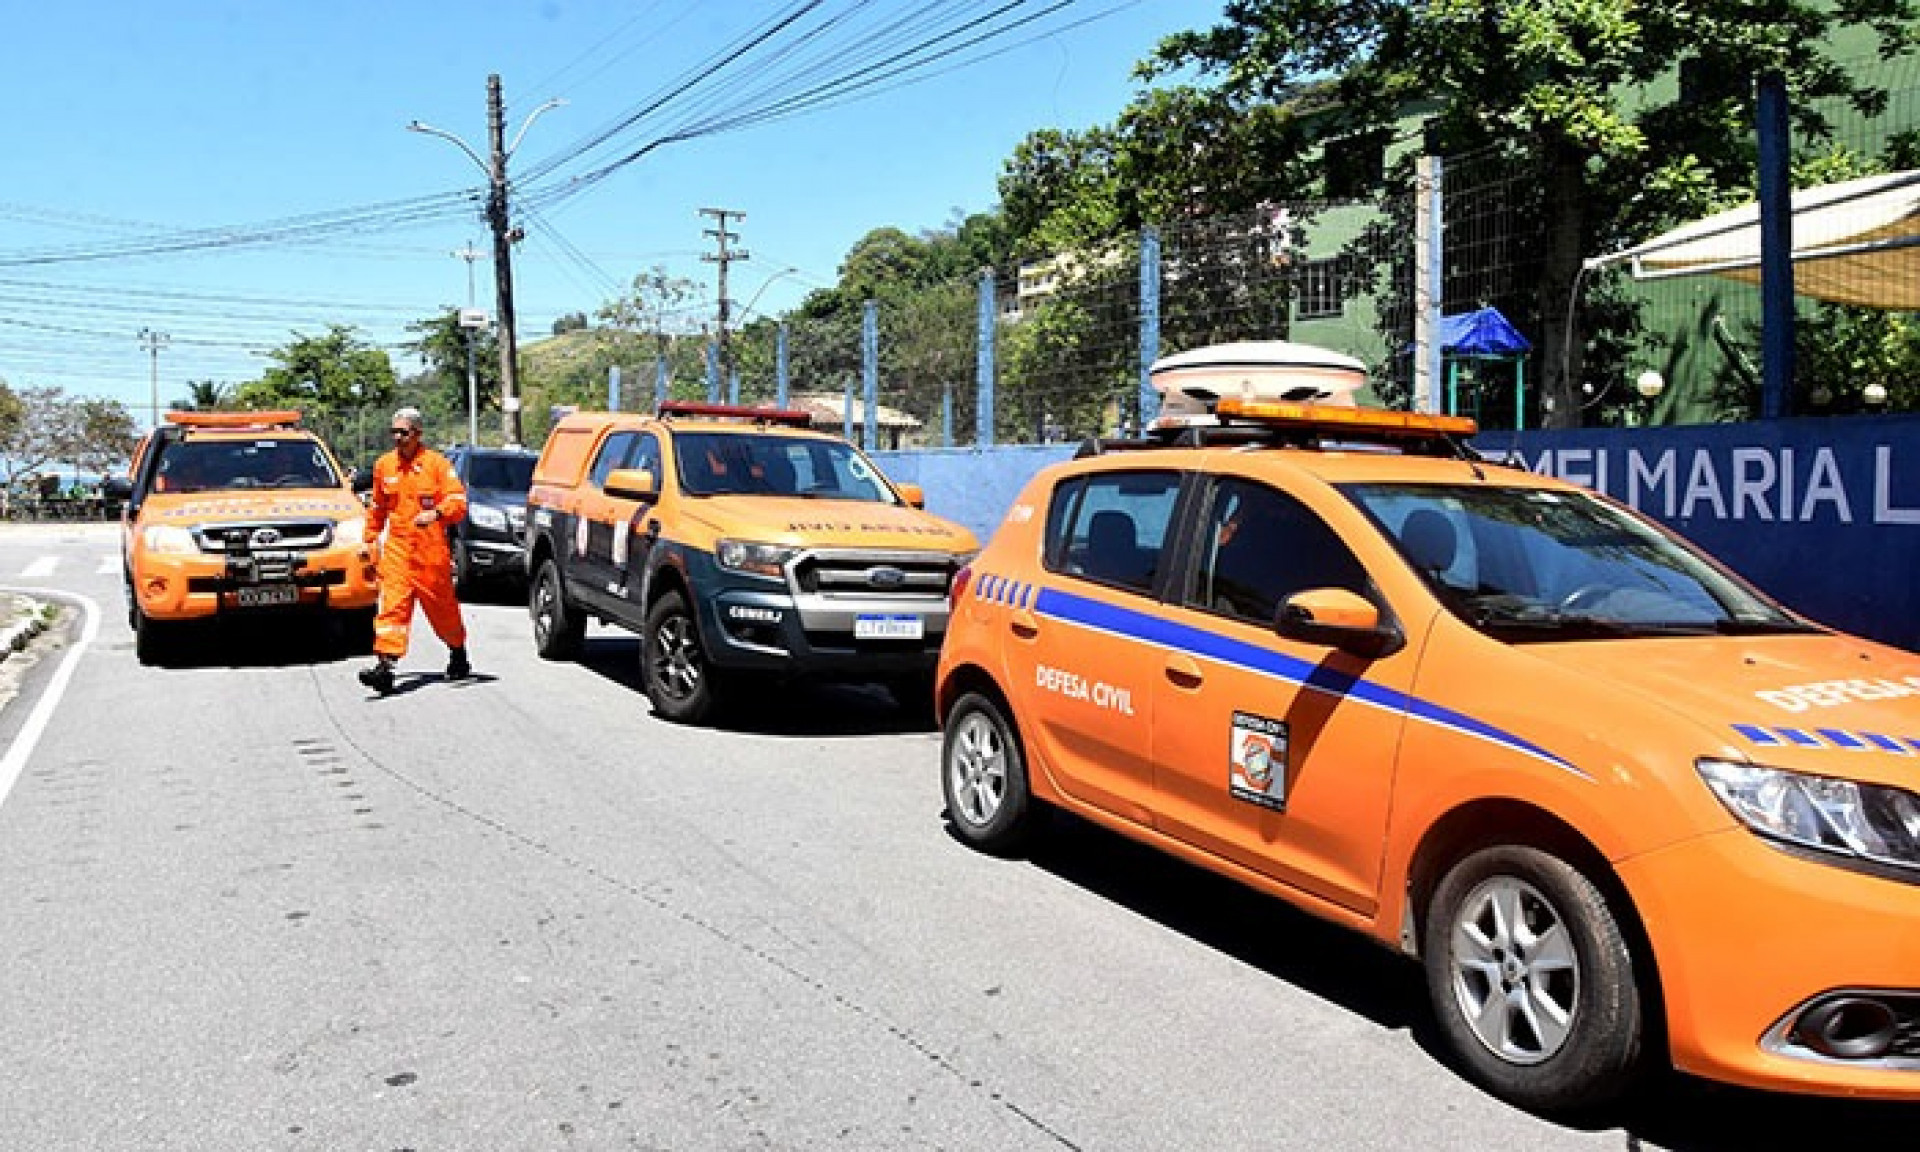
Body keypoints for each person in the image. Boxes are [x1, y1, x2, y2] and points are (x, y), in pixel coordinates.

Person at [358, 408, 470, 694]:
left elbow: (458, 502)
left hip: (431, 553)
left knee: (443, 612)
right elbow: (378, 508)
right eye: (393, 432)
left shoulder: (437, 465)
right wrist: (369, 539)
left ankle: (458, 652)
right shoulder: (385, 465)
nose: (397, 438)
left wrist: (437, 514)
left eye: (403, 432)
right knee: (392, 608)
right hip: (397, 552)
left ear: (418, 434)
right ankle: (385, 666)